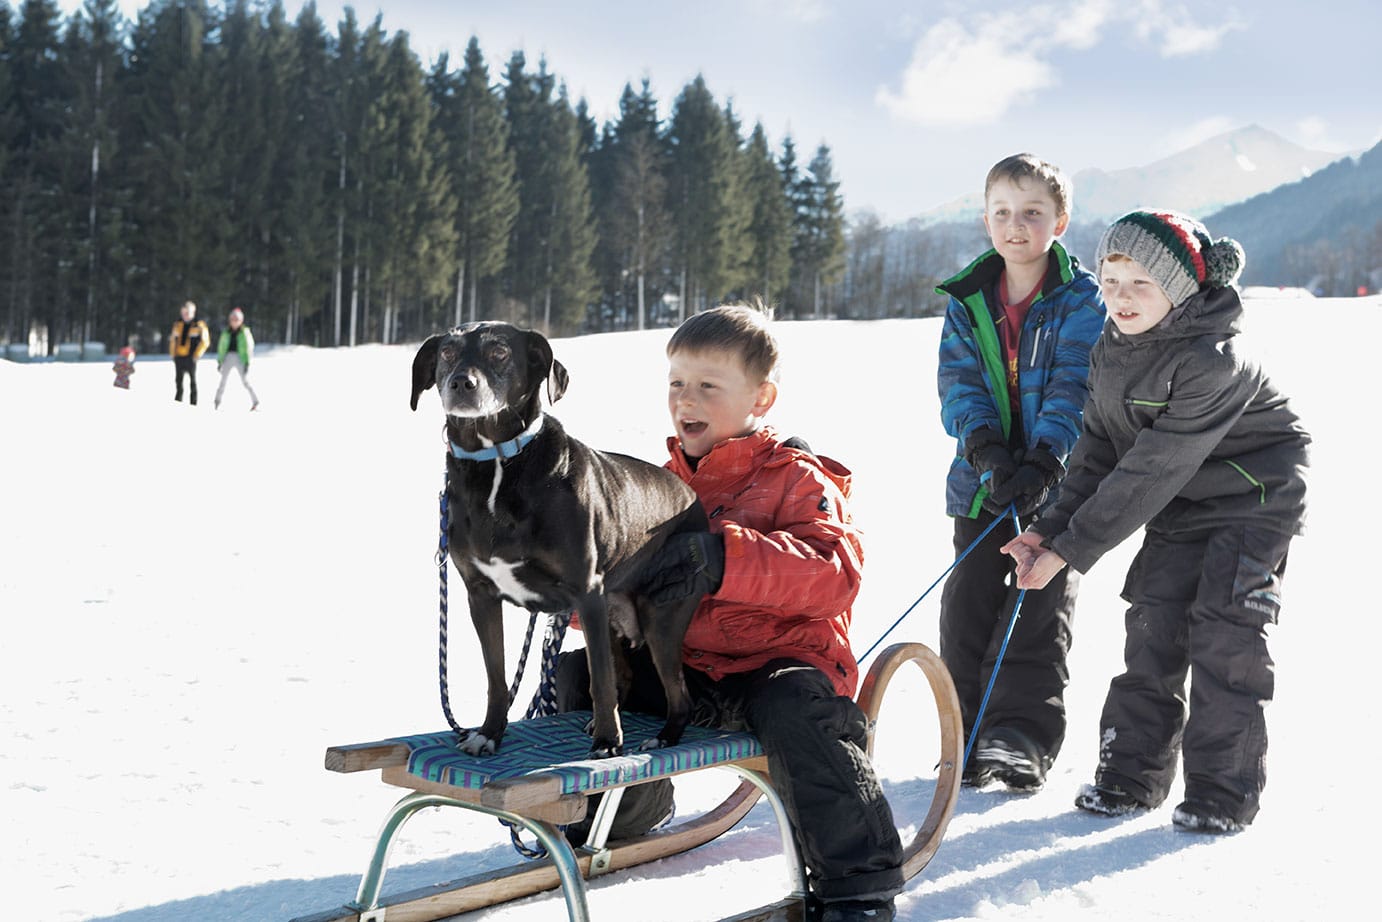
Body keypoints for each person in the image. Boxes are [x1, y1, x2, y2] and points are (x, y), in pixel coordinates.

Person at [556, 303, 904, 922]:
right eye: (676, 384)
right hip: (685, 668)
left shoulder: (798, 478)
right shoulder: (652, 488)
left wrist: (726, 558)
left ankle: (859, 884)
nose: (685, 399)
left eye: (707, 386)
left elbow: (834, 574)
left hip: (776, 664)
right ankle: (621, 815)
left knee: (797, 713)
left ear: (761, 397)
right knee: (583, 675)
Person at [1001, 210, 1310, 834]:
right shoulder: (1110, 351)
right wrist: (1046, 530)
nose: (1119, 297)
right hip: (1179, 498)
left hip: (1253, 497)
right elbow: (1097, 454)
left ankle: (1222, 792)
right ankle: (1130, 775)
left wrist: (1070, 550)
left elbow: (1148, 470)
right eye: (1110, 280)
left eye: (1139, 283)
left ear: (1179, 289)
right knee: (1153, 623)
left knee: (1226, 632)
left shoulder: (1215, 360)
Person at [935, 153, 1106, 791]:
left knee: (1035, 611)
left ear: (1059, 220)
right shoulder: (967, 299)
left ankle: (1019, 739)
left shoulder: (1080, 299)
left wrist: (1043, 460)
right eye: (1003, 212)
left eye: (1032, 212)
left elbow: (1076, 382)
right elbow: (959, 382)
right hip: (980, 485)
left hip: (1053, 489)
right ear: (986, 220)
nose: (1016, 225)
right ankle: (967, 737)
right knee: (968, 610)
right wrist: (985, 450)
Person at [214, 307, 260, 410]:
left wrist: (247, 361)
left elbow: (249, 347)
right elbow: (221, 347)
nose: (234, 322)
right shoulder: (226, 332)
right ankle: (217, 402)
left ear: (241, 320)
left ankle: (255, 401)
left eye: (236, 319)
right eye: (232, 319)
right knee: (223, 381)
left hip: (240, 358)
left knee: (245, 381)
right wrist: (220, 361)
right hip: (228, 357)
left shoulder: (245, 332)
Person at [169, 300, 210, 404]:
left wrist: (197, 355)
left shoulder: (199, 325)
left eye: (187, 313)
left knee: (193, 382)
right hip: (179, 357)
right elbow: (173, 340)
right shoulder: (178, 324)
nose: (185, 315)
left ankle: (193, 404)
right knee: (178, 382)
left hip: (191, 358)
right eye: (183, 313)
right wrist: (173, 354)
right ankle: (177, 402)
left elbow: (205, 341)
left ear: (193, 312)